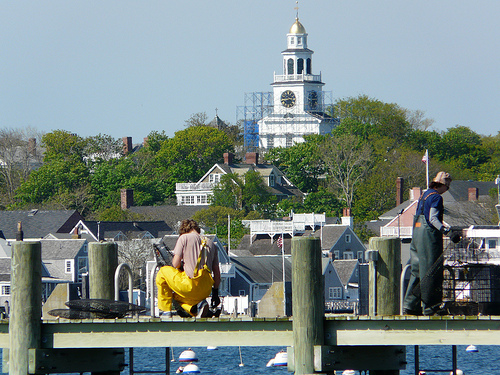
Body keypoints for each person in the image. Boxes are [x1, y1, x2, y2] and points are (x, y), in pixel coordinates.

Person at [403, 171, 452, 316]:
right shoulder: (436, 197)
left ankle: (410, 306)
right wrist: (447, 232)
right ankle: (431, 308)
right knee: (431, 272)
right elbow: (433, 219)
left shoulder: (424, 196)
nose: (446, 191)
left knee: (417, 272)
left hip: (417, 237)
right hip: (428, 239)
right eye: (447, 187)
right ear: (442, 185)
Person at [156, 219, 221, 317]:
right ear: (197, 230)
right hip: (205, 289)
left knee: (163, 272)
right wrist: (215, 294)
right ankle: (197, 308)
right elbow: (217, 274)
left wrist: (182, 264)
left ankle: (165, 311)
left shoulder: (183, 238)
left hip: (190, 285)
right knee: (176, 296)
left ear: (184, 230)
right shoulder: (212, 244)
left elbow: (175, 264)